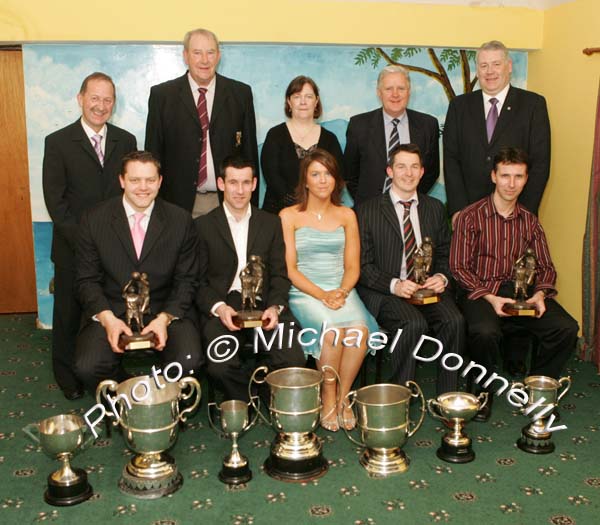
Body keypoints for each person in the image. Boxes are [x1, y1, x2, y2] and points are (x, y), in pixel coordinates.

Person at [449, 147, 578, 420]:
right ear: (493, 176)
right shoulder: (470, 217)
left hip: (523, 295)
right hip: (480, 292)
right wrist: (492, 298)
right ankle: (482, 393)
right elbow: (459, 268)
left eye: (518, 176)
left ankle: (538, 390)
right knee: (484, 332)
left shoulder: (530, 222)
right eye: (505, 175)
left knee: (566, 328)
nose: (511, 183)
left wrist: (541, 294)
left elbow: (546, 267)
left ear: (526, 179)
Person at [73, 151, 203, 394]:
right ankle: (126, 394)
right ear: (122, 181)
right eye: (135, 180)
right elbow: (86, 280)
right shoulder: (94, 219)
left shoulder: (180, 220)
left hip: (164, 309)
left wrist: (165, 318)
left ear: (160, 182)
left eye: (150, 180)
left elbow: (187, 280)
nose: (143, 187)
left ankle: (163, 399)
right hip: (112, 309)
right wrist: (107, 319)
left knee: (189, 361)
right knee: (88, 367)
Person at [42, 72, 137, 400]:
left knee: (113, 309)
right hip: (72, 246)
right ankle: (67, 375)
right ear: (80, 99)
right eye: (94, 98)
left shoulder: (126, 141)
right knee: (69, 312)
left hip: (114, 247)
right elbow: (55, 201)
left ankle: (112, 367)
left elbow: (130, 195)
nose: (100, 105)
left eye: (107, 99)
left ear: (114, 103)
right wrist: (84, 243)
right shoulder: (57, 142)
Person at [279, 149, 378, 431]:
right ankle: (328, 395)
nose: (323, 180)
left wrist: (342, 291)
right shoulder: (289, 216)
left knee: (358, 331)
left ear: (337, 180)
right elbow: (291, 269)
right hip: (306, 291)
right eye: (315, 174)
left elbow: (352, 267)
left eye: (328, 174)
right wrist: (322, 295)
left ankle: (344, 397)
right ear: (305, 181)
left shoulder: (347, 214)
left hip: (342, 289)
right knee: (333, 331)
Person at [356, 144, 464, 395]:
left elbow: (447, 253)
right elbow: (362, 266)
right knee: (412, 323)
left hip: (427, 290)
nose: (408, 173)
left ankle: (447, 397)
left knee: (454, 320)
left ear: (423, 171)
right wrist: (395, 285)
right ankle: (399, 396)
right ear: (390, 171)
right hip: (386, 291)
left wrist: (441, 277)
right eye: (401, 166)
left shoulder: (435, 208)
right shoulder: (367, 211)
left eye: (414, 167)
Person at [195, 156, 305, 402]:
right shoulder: (202, 226)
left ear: (255, 184)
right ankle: (249, 396)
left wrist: (275, 307)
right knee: (220, 366)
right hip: (224, 304)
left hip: (264, 301)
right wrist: (218, 308)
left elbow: (279, 273)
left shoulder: (270, 223)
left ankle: (264, 392)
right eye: (233, 182)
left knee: (293, 358)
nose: (240, 190)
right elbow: (198, 282)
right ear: (221, 184)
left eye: (246, 182)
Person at [145, 28, 258, 217]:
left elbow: (249, 154)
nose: (204, 60)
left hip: (227, 204)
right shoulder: (162, 96)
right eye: (197, 53)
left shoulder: (240, 94)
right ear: (186, 56)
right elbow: (153, 155)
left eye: (210, 52)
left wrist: (251, 208)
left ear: (219, 56)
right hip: (175, 206)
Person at [444, 40, 551, 222]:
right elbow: (451, 160)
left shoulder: (533, 105)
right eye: (484, 65)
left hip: (515, 215)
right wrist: (458, 211)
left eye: (496, 64)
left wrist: (523, 213)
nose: (489, 71)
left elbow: (540, 164)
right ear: (477, 70)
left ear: (508, 66)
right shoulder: (459, 106)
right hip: (469, 213)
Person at [344, 65, 440, 205]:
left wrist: (408, 199)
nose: (395, 94)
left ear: (409, 92)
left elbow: (431, 172)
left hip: (411, 209)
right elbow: (350, 175)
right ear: (379, 92)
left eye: (401, 88)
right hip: (368, 212)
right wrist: (367, 205)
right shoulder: (359, 125)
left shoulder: (428, 125)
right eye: (388, 89)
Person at [261, 76, 344, 214]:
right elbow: (272, 176)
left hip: (322, 214)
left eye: (309, 96)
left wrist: (315, 206)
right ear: (289, 101)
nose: (303, 102)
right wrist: (298, 207)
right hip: (278, 214)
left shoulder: (330, 139)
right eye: (297, 96)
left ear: (316, 101)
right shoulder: (275, 135)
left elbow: (338, 177)